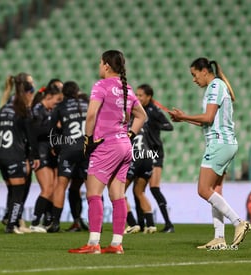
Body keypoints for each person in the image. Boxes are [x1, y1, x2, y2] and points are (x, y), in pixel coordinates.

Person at [169, 57, 251, 249]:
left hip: (219, 144)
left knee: (203, 189)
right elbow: (206, 121)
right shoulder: (218, 86)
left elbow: (208, 117)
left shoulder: (214, 86)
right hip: (227, 143)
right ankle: (219, 238)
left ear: (204, 71)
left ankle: (238, 222)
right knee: (215, 191)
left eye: (194, 74)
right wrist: (183, 119)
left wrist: (184, 116)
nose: (193, 79)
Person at [69, 50, 147, 254]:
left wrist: (87, 139)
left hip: (107, 146)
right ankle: (116, 244)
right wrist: (129, 134)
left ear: (105, 66)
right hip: (124, 146)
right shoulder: (127, 89)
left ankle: (94, 243)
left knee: (94, 194)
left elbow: (91, 114)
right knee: (118, 195)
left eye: (100, 63)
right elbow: (142, 116)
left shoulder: (101, 85)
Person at [0, 72, 39, 234]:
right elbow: (31, 135)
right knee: (19, 191)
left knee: (13, 190)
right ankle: (12, 224)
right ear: (27, 92)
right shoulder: (22, 109)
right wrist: (32, 156)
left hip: (2, 157)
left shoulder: (5, 108)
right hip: (16, 155)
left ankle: (14, 220)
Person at [47, 81, 89, 233]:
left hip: (69, 149)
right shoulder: (87, 103)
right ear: (77, 91)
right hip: (87, 149)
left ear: (63, 93)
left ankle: (56, 223)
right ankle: (97, 223)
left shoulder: (60, 107)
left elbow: (51, 129)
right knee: (92, 187)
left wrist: (55, 147)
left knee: (61, 185)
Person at [137, 84, 175, 233]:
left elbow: (169, 126)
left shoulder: (154, 111)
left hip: (155, 152)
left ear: (149, 97)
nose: (138, 98)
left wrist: (154, 125)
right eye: (137, 95)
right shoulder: (138, 110)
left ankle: (168, 223)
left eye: (141, 95)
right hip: (141, 153)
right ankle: (141, 223)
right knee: (138, 189)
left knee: (153, 188)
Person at [28, 79, 63, 233]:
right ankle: (35, 222)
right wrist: (54, 127)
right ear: (48, 97)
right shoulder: (37, 110)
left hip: (50, 152)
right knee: (47, 189)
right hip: (40, 153)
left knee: (54, 188)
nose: (57, 104)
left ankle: (47, 220)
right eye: (56, 101)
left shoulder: (48, 111)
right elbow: (34, 132)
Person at [124, 123, 157, 235]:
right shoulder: (142, 125)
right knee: (140, 192)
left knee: (118, 192)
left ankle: (132, 224)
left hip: (135, 157)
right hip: (148, 157)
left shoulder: (122, 125)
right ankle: (151, 225)